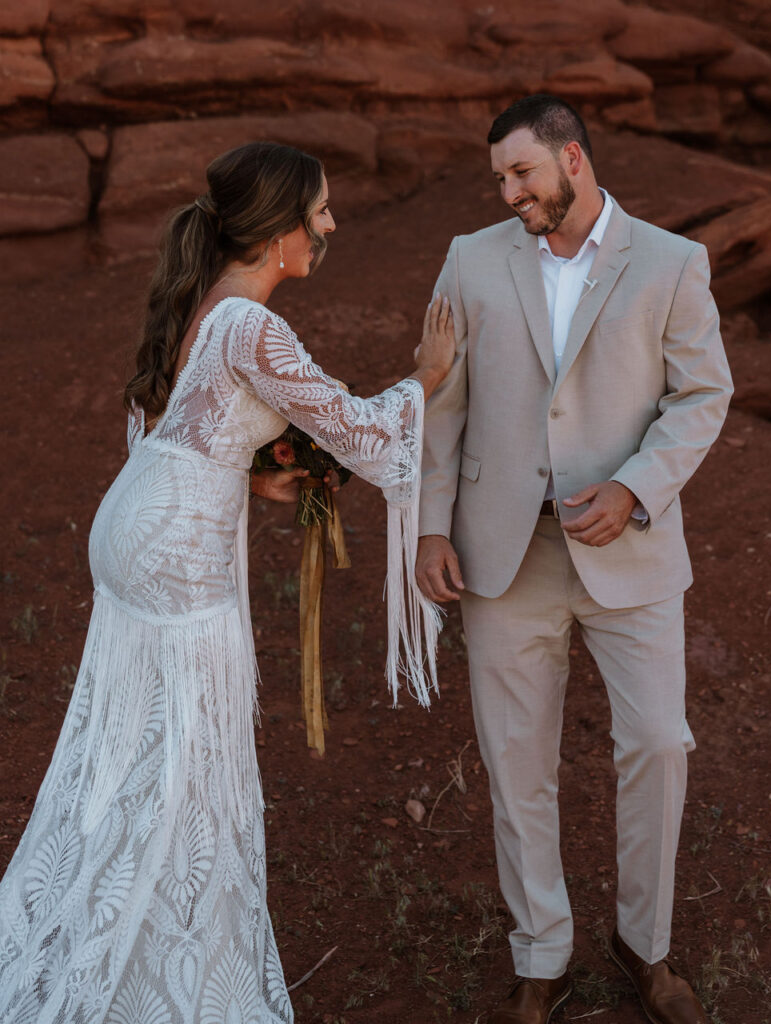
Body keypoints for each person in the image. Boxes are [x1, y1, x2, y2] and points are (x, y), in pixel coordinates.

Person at [0, 141, 453, 1023]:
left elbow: (173, 418)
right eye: (317, 212)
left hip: (138, 518)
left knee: (131, 748)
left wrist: (248, 474)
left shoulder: (205, 305)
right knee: (185, 764)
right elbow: (359, 431)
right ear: (280, 228)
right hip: (173, 553)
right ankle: (158, 971)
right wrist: (428, 376)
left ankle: (98, 908)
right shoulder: (251, 322)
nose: (328, 226)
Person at [415, 94, 732, 1024]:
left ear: (574, 161)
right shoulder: (471, 260)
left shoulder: (672, 263)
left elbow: (702, 394)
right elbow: (444, 401)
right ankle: (540, 954)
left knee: (657, 746)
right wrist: (433, 523)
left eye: (522, 173)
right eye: (499, 180)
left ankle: (645, 946)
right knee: (516, 760)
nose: (509, 193)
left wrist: (637, 487)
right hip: (500, 555)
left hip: (625, 548)